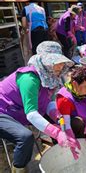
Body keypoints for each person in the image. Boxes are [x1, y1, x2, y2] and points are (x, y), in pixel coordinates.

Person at [0, 42, 79, 172]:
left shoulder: (50, 76)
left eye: (61, 62)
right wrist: (56, 132)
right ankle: (18, 168)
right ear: (45, 62)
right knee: (25, 137)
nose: (60, 66)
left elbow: (48, 101)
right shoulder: (29, 79)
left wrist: (57, 116)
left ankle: (63, 153)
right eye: (56, 62)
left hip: (20, 108)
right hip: (4, 111)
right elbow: (31, 113)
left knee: (64, 121)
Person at [56, 67, 86, 143]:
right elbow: (66, 123)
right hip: (72, 124)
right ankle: (81, 140)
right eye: (85, 86)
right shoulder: (63, 98)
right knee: (78, 122)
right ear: (74, 84)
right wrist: (70, 135)